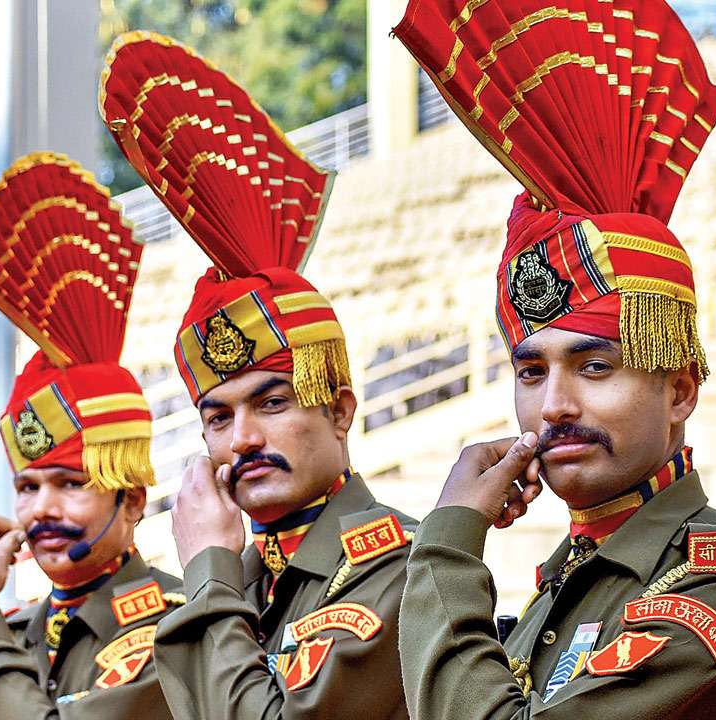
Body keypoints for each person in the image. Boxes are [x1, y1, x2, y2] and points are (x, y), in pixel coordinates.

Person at [393, 0, 716, 716]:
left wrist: (446, 544)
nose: (554, 405)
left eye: (595, 367)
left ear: (681, 390)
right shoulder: (581, 571)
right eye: (532, 372)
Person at [101, 31, 417, 719]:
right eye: (217, 416)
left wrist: (210, 570)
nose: (241, 437)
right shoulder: (240, 574)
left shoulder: (402, 570)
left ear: (340, 411)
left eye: (271, 401)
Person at [0, 151, 182, 718]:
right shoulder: (19, 630)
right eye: (27, 487)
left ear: (132, 499)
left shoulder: (173, 629)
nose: (40, 509)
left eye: (70, 483)